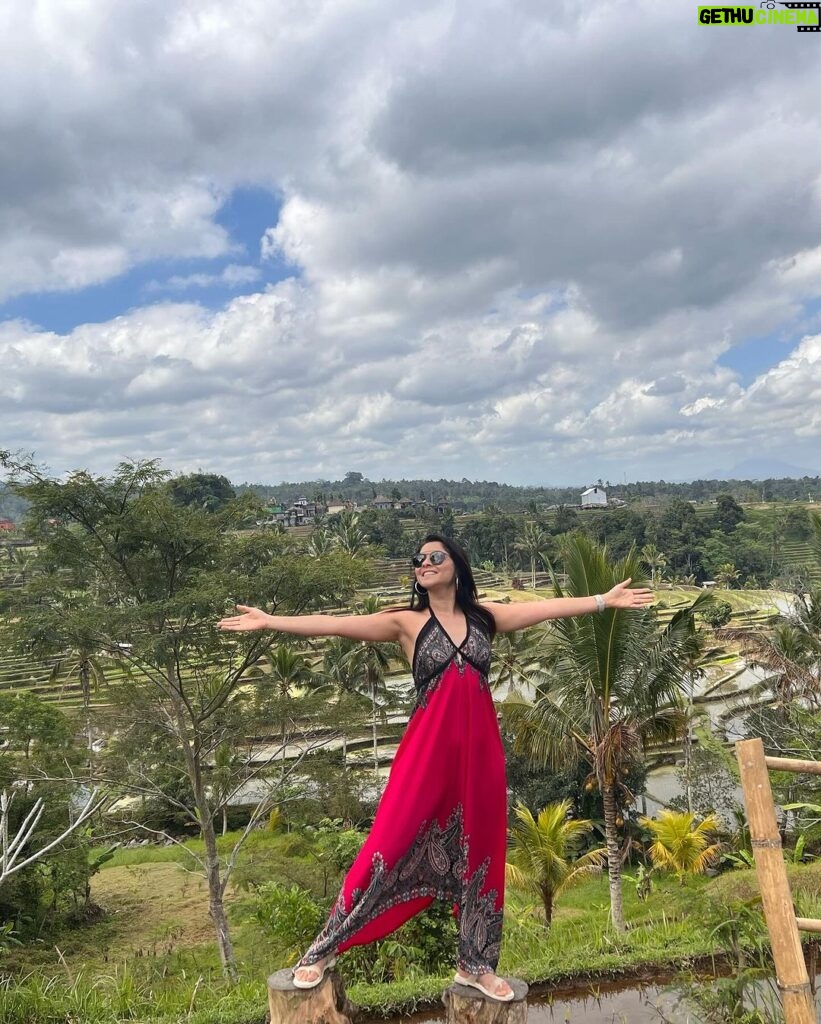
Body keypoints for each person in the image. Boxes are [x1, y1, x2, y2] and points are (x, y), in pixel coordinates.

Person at [218, 534, 652, 1001]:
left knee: (482, 854)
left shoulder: (485, 618)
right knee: (386, 844)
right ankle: (323, 949)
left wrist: (602, 602)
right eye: (418, 560)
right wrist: (270, 622)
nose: (423, 564)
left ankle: (476, 964)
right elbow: (338, 624)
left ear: (457, 566)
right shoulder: (406, 623)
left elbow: (544, 610)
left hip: (480, 754)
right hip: (427, 754)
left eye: (434, 557)